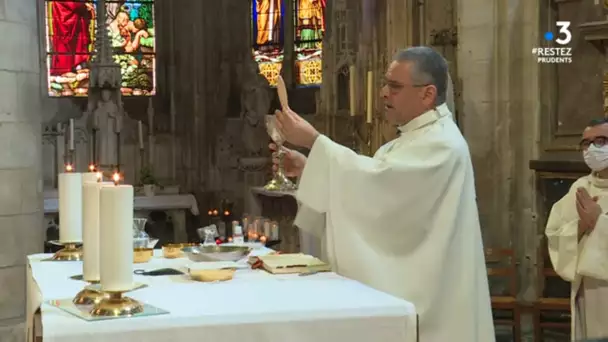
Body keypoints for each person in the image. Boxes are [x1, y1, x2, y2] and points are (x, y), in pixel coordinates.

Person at [270, 46, 494, 342]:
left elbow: (380, 190)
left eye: (395, 86)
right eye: (385, 84)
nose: (384, 93)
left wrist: (314, 141)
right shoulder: (410, 140)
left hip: (435, 307)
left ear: (427, 94)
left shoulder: (442, 144)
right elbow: (378, 189)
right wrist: (311, 167)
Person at [545, 118, 608, 341]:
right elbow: (554, 233)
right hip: (588, 291)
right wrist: (580, 226)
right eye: (586, 143)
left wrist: (599, 222)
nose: (592, 149)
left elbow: (597, 223)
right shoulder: (580, 188)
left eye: (601, 141)